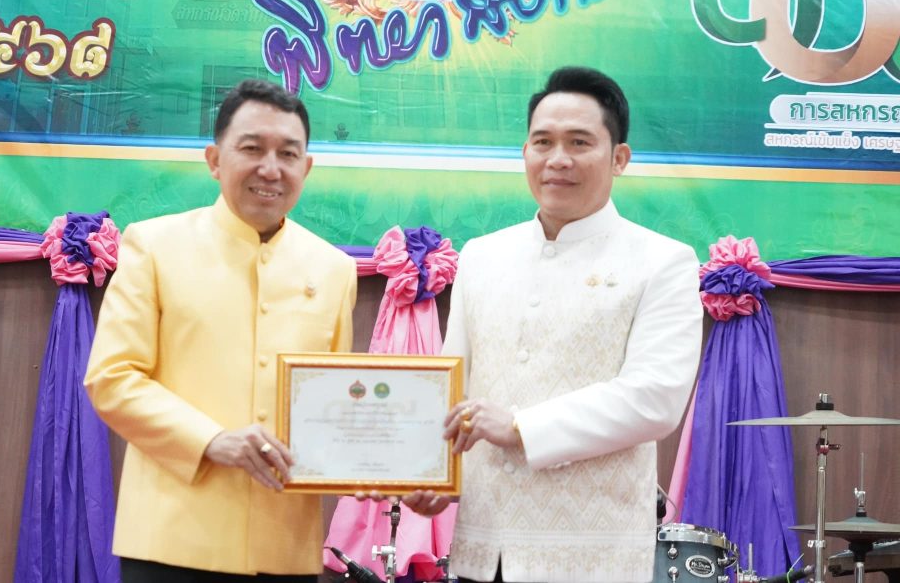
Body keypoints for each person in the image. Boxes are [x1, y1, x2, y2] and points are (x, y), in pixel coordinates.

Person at [404, 66, 703, 583]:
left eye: (579, 142)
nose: (557, 159)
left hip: (594, 556)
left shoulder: (663, 261)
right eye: (542, 142)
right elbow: (452, 387)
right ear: (525, 152)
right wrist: (434, 474)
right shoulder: (481, 255)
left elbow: (654, 399)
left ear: (619, 158)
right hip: (484, 549)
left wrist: (521, 427)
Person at [84, 79, 358, 583]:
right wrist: (211, 440)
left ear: (306, 167)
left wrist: (374, 464)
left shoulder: (335, 269)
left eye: (288, 154)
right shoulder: (153, 245)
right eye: (252, 149)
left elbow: (332, 406)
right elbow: (113, 378)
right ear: (214, 159)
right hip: (172, 542)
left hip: (285, 547)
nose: (270, 169)